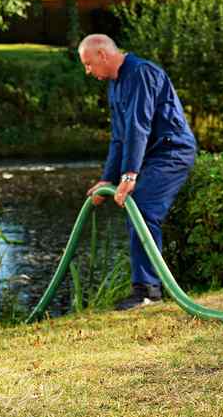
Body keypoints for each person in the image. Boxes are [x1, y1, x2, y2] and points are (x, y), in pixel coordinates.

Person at [78, 34, 197, 310]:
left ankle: (148, 291)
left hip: (171, 152)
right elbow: (119, 138)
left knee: (141, 206)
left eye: (88, 64)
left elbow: (138, 127)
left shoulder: (142, 73)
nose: (88, 71)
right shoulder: (114, 85)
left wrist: (129, 175)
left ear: (103, 55)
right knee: (138, 206)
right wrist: (108, 179)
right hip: (151, 154)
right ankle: (146, 288)